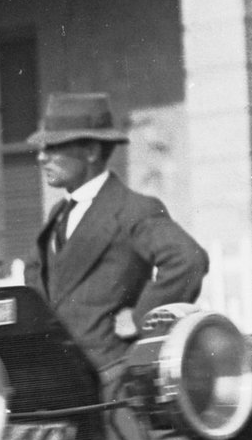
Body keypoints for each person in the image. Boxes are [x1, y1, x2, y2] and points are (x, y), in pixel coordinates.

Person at [30, 92, 208, 372]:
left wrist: (141, 318)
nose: (42, 157)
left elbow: (188, 259)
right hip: (60, 377)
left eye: (54, 147)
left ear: (91, 151)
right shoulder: (58, 215)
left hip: (110, 379)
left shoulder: (132, 209)